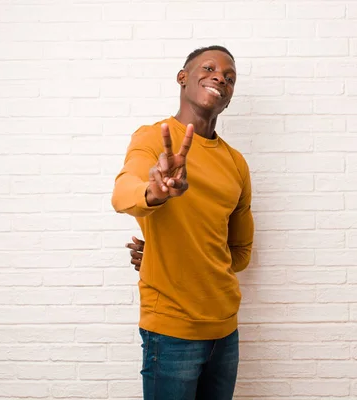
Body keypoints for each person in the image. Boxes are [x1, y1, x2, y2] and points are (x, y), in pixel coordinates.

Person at [111, 45, 254, 400]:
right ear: (183, 77)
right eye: (208, 68)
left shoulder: (236, 163)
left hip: (226, 333)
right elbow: (123, 193)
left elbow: (239, 252)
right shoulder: (151, 137)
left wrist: (170, 256)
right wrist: (155, 191)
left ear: (229, 97)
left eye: (230, 77)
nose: (220, 76)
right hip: (172, 333)